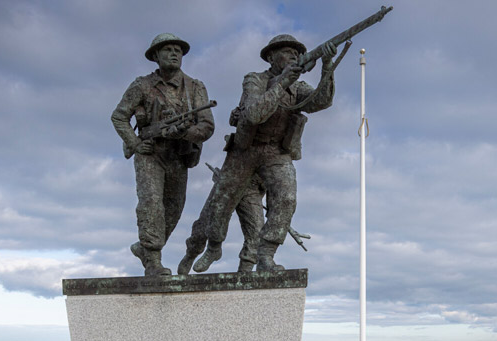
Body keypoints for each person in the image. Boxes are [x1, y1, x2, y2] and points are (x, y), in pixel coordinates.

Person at [178, 34, 336, 274]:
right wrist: (282, 82)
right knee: (220, 205)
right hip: (245, 151)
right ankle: (214, 246)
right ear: (271, 57)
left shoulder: (298, 87)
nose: (293, 55)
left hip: (276, 152)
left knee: (286, 198)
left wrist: (327, 66)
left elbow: (321, 102)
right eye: (286, 52)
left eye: (296, 53)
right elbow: (254, 115)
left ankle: (266, 256)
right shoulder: (255, 79)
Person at [111, 33, 215, 276]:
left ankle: (145, 248)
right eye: (167, 49)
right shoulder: (141, 85)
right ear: (155, 56)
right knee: (151, 205)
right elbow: (119, 116)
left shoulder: (195, 87)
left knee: (174, 208)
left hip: (179, 155)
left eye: (178, 50)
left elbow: (207, 125)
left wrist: (186, 133)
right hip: (151, 153)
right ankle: (153, 260)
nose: (174, 53)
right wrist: (135, 143)